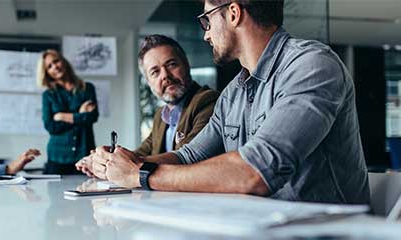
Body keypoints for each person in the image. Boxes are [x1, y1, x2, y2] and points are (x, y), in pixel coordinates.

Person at [88, 0, 370, 204]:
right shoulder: (233, 92)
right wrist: (120, 163)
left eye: (207, 20)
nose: (206, 33)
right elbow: (189, 156)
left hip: (324, 232)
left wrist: (142, 175)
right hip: (259, 226)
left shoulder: (311, 65)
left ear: (233, 13)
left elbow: (255, 172)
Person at [75, 35, 219, 177]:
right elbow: (140, 153)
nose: (165, 76)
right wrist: (104, 159)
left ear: (187, 64)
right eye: (155, 72)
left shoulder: (207, 101)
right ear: (149, 82)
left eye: (171, 64)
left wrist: (114, 163)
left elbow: (188, 157)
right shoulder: (161, 115)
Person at [38, 49, 99, 174]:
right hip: (57, 157)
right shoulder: (48, 95)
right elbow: (50, 126)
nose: (55, 66)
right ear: (47, 73)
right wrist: (80, 115)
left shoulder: (87, 88)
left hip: (84, 155)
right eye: (49, 66)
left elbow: (92, 117)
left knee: (87, 190)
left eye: (56, 61)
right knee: (54, 193)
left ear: (63, 61)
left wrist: (61, 116)